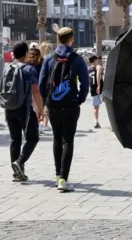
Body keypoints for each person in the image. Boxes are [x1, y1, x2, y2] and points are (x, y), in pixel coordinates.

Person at [39, 27, 89, 192]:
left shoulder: (48, 58)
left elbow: (41, 84)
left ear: (57, 39)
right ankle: (63, 179)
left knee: (56, 139)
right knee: (68, 140)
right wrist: (79, 99)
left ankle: (57, 175)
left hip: (53, 105)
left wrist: (47, 100)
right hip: (70, 105)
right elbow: (85, 83)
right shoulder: (77, 59)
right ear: (71, 39)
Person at [0, 41, 44, 182]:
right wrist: (41, 109)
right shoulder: (28, 69)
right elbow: (36, 91)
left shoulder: (8, 68)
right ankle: (19, 162)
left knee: (15, 140)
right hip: (24, 109)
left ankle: (17, 173)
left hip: (9, 107)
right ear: (26, 53)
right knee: (33, 137)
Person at [39, 42, 54, 132]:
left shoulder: (39, 59)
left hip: (37, 84)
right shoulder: (48, 59)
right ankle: (45, 124)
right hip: (47, 84)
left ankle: (40, 123)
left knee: (39, 104)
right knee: (46, 104)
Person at [88, 55, 104, 128]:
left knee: (96, 107)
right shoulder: (98, 67)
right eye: (98, 59)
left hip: (92, 89)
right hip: (100, 89)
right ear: (94, 61)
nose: (99, 61)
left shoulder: (89, 70)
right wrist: (99, 86)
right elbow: (97, 76)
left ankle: (96, 122)